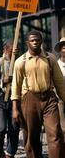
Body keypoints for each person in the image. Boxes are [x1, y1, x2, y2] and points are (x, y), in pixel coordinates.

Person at [11, 30, 65, 158]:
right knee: (32, 136)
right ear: (27, 43)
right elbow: (15, 86)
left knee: (55, 133)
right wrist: (15, 108)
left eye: (37, 40)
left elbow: (59, 82)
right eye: (32, 40)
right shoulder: (20, 62)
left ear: (41, 41)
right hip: (29, 100)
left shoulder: (50, 58)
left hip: (49, 99)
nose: (35, 42)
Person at [0, 40, 19, 158]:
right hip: (0, 98)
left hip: (14, 98)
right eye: (12, 50)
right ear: (5, 50)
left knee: (14, 126)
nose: (14, 52)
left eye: (16, 50)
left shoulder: (18, 63)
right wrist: (2, 82)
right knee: (1, 128)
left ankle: (10, 153)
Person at [54, 37, 65, 135]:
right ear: (60, 50)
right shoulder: (56, 65)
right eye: (64, 48)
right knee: (63, 126)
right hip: (60, 99)